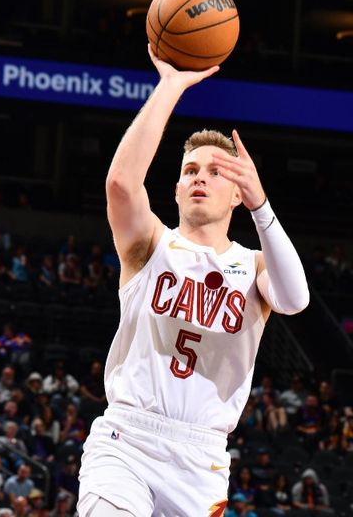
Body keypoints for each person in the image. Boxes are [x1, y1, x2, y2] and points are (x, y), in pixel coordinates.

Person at [76, 46, 309, 516]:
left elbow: (295, 299)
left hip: (201, 457)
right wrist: (170, 87)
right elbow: (121, 184)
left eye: (216, 172)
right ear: (177, 190)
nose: (200, 178)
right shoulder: (149, 245)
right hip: (127, 440)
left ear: (237, 193)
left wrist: (262, 204)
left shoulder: (256, 266)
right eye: (190, 171)